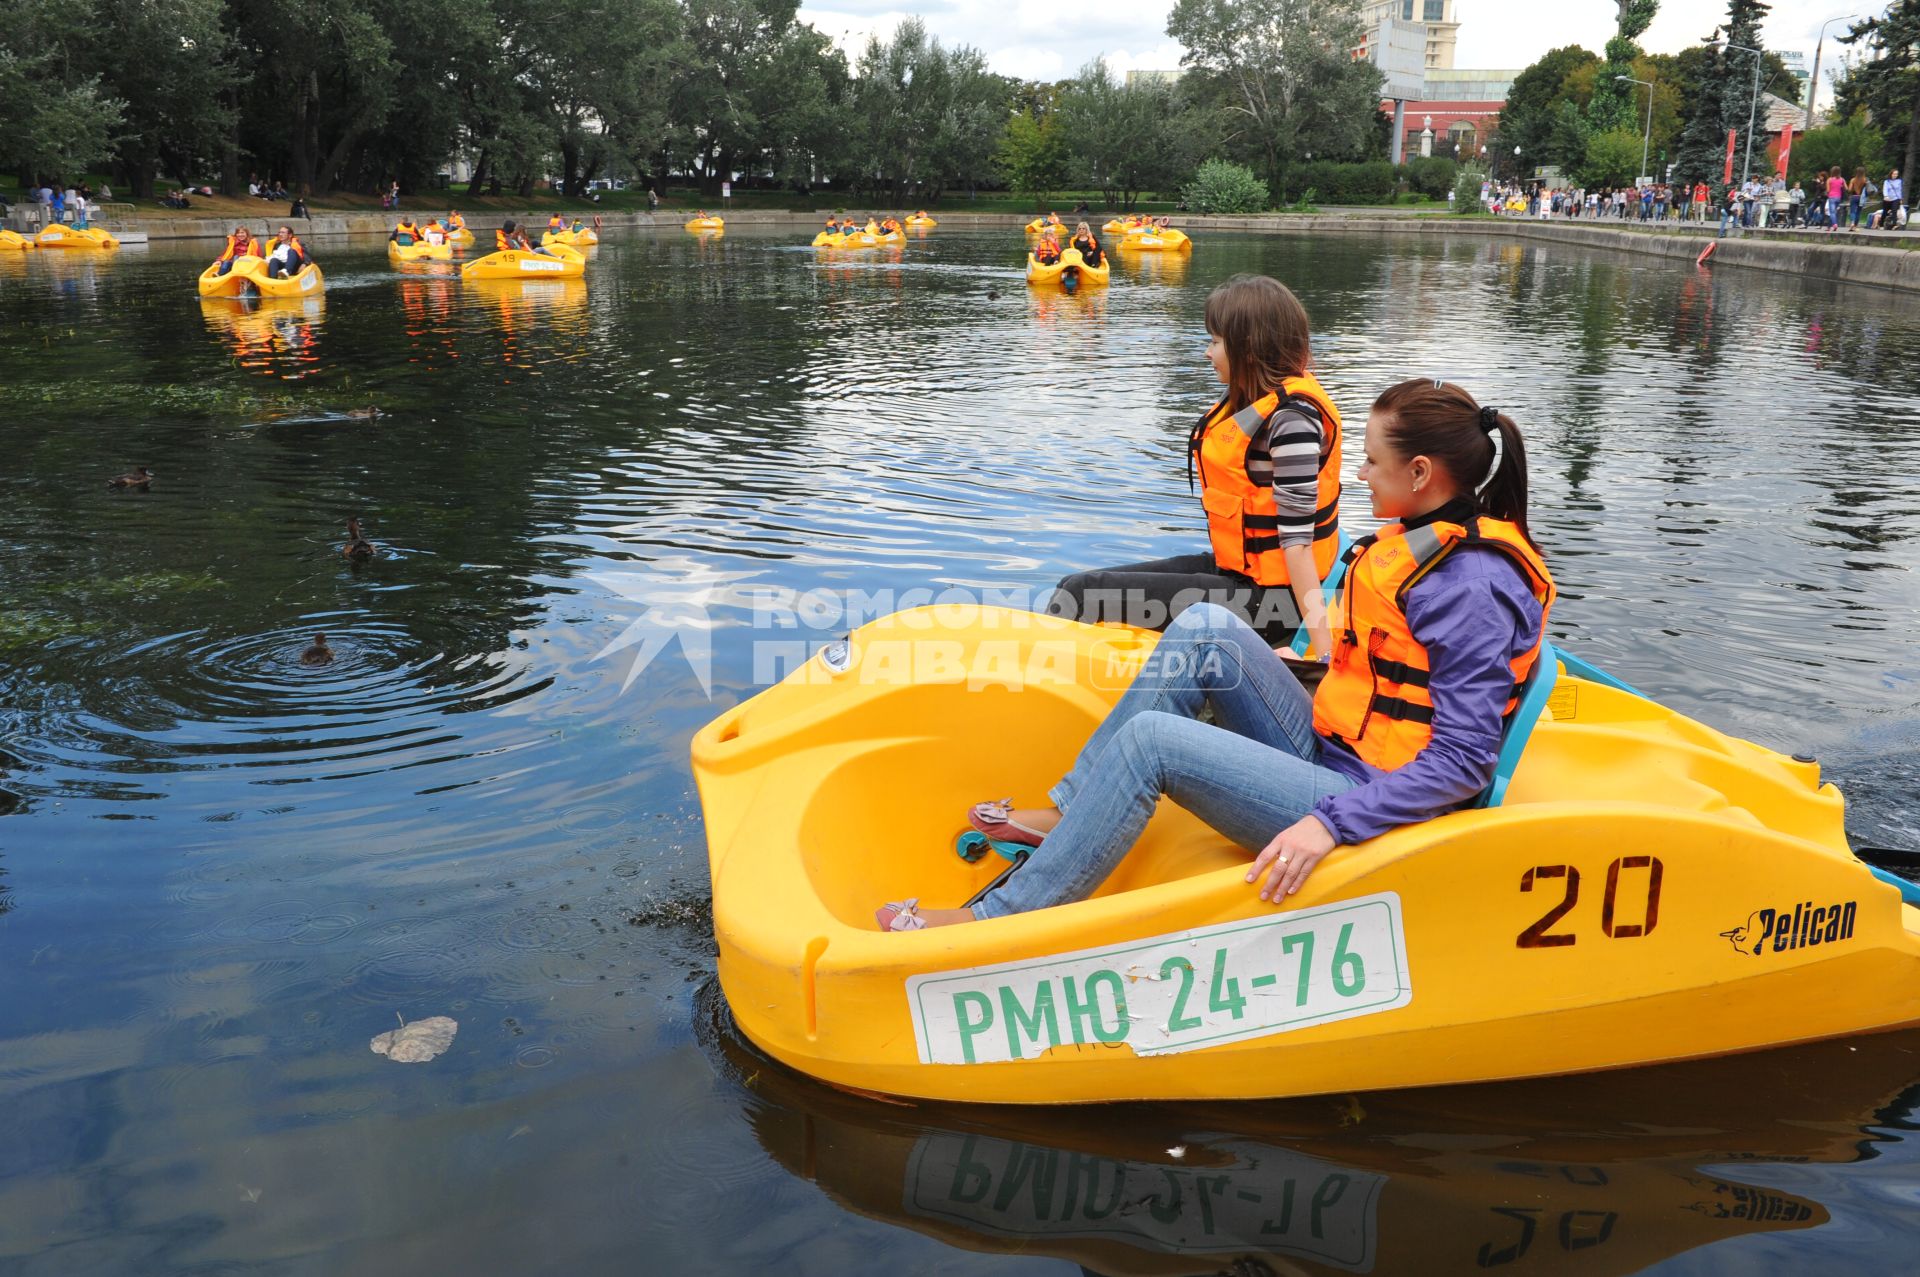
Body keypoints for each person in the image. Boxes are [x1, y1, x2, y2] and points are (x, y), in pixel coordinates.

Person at [878, 379, 1553, 931]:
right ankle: (1069, 810)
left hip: (1371, 802)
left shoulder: (1469, 585)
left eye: (1372, 460)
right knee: (1206, 625)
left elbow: (1464, 762)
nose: (1358, 472)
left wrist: (1329, 824)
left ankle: (993, 920)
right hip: (1338, 752)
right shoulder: (1422, 539)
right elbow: (1384, 678)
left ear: (1421, 472)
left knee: (1152, 744)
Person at [1047, 274, 1343, 650]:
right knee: (1075, 584)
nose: (1207, 352)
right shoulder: (1257, 403)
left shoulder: (1292, 421)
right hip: (1239, 575)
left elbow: (1298, 541)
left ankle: (1047, 692)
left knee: (1082, 593)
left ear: (1248, 349)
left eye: (1216, 342)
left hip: (1272, 603)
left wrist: (1323, 651)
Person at [1826, 169, 1846, 234]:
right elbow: (1847, 188)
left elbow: (1828, 190)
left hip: (1831, 197)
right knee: (1834, 212)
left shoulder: (1829, 179)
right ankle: (1828, 226)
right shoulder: (1842, 179)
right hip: (1838, 198)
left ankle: (1834, 224)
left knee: (1832, 212)